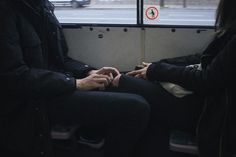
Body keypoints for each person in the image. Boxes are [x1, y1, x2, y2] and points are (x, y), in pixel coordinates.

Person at [0, 0, 150, 157]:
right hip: (35, 100)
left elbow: (60, 60)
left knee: (128, 83)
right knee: (136, 107)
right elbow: (14, 77)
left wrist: (88, 72)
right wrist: (75, 83)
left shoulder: (43, 8)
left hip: (56, 84)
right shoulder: (6, 12)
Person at [111, 0, 236, 156]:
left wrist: (158, 70)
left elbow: (208, 79)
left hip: (211, 113)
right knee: (128, 74)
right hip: (205, 100)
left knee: (121, 82)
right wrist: (156, 66)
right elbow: (203, 59)